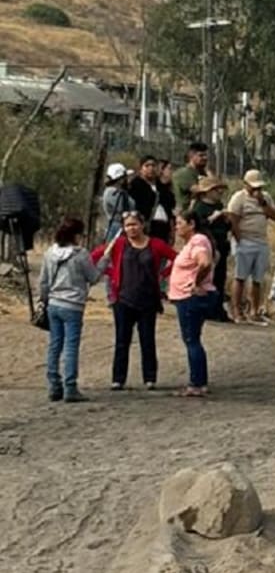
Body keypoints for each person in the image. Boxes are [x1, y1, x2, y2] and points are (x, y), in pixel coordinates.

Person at [91, 211, 176, 391]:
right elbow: (95, 257)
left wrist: (163, 275)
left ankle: (150, 377)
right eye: (128, 225)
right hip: (123, 299)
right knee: (122, 340)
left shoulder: (156, 244)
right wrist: (110, 273)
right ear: (123, 228)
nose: (132, 228)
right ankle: (118, 379)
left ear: (142, 225)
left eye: (135, 224)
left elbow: (176, 259)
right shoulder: (119, 244)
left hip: (148, 300)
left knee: (148, 340)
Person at [41, 217, 108, 402]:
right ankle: (70, 387)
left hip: (53, 303)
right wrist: (103, 262)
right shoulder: (80, 254)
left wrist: (44, 300)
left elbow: (44, 282)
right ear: (77, 235)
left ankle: (54, 384)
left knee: (55, 345)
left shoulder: (49, 253)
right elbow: (93, 277)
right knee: (71, 346)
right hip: (73, 305)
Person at [168, 210, 216, 398]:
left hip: (190, 298)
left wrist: (195, 283)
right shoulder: (196, 242)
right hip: (188, 297)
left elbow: (205, 262)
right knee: (193, 339)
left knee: (191, 340)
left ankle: (197, 383)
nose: (177, 226)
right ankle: (199, 381)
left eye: (180, 223)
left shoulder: (197, 242)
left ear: (192, 224)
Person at [226, 169, 275, 325]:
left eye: (259, 187)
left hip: (261, 241)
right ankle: (237, 310)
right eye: (253, 187)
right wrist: (239, 240)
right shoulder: (239, 198)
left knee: (258, 278)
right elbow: (233, 219)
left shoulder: (266, 197)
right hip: (245, 240)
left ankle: (254, 310)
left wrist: (263, 203)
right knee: (240, 277)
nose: (257, 190)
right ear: (246, 185)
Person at [190, 176, 232, 321]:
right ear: (207, 192)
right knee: (208, 277)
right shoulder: (199, 207)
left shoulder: (219, 205)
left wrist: (227, 221)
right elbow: (197, 226)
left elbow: (227, 227)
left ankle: (217, 309)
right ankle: (205, 309)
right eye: (215, 189)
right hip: (207, 245)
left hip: (221, 243)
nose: (219, 192)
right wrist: (212, 218)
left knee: (220, 278)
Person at [129, 155, 172, 243]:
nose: (151, 168)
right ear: (141, 169)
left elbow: (170, 207)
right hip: (146, 228)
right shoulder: (135, 186)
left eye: (153, 165)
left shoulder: (162, 187)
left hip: (164, 228)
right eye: (147, 166)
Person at [101, 163, 135, 243]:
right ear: (120, 179)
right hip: (116, 227)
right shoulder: (111, 192)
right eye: (124, 178)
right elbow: (127, 206)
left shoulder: (119, 191)